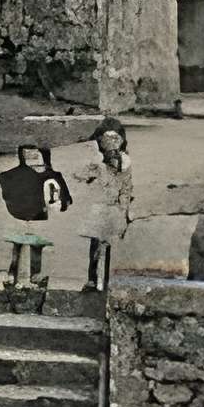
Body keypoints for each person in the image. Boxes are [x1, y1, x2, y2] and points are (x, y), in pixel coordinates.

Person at [0, 143, 73, 306]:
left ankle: (30, 289)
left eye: (35, 155)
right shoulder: (15, 176)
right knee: (20, 252)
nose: (32, 159)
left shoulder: (52, 177)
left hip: (39, 223)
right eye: (28, 155)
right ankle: (17, 287)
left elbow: (63, 200)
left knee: (34, 251)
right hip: (23, 221)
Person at [67, 119, 134, 293]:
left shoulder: (125, 164)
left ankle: (105, 281)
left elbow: (126, 188)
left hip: (114, 208)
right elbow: (78, 174)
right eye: (107, 142)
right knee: (96, 245)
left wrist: (124, 210)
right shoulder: (99, 163)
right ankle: (92, 279)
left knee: (109, 246)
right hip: (100, 207)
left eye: (115, 141)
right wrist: (94, 162)